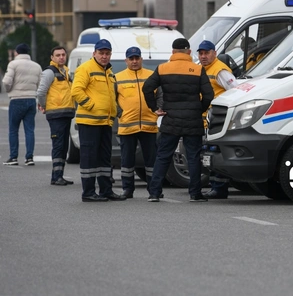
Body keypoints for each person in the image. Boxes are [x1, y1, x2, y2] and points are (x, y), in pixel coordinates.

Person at [142, 38, 214, 202]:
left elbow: (147, 88)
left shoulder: (162, 68)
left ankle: (154, 192)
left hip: (170, 118)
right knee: (193, 156)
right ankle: (195, 193)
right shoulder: (197, 69)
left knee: (163, 156)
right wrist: (199, 109)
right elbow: (209, 94)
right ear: (189, 52)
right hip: (193, 120)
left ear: (173, 52)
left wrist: (154, 108)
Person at [71, 39, 127, 202]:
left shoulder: (108, 71)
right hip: (89, 121)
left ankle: (105, 190)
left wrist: (116, 110)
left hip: (105, 122)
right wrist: (92, 106)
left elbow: (110, 95)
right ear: (94, 53)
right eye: (101, 53)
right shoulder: (86, 69)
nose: (104, 56)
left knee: (104, 158)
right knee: (89, 158)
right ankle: (88, 192)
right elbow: (76, 91)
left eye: (107, 53)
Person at [114, 46, 160, 198]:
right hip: (127, 125)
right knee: (127, 160)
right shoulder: (117, 77)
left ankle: (154, 190)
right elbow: (111, 99)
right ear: (126, 60)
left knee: (151, 161)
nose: (134, 61)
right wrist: (120, 113)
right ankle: (127, 189)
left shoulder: (151, 75)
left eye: (137, 58)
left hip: (149, 124)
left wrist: (157, 110)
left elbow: (160, 94)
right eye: (131, 59)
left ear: (141, 59)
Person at [197, 40, 238, 199]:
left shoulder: (220, 70)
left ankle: (220, 188)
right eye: (201, 53)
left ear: (214, 53)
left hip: (218, 120)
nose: (203, 56)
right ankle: (216, 186)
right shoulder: (203, 69)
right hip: (207, 120)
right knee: (209, 153)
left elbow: (235, 90)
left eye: (206, 53)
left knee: (215, 152)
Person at [36, 46, 75, 185]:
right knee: (58, 145)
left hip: (66, 112)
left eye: (63, 54)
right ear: (52, 58)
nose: (61, 57)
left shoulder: (65, 72)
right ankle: (56, 176)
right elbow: (41, 92)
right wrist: (44, 106)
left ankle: (58, 175)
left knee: (63, 145)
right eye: (58, 55)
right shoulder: (49, 72)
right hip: (56, 113)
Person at [2, 43, 41, 166]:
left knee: (13, 130)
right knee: (29, 130)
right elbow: (40, 85)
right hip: (31, 99)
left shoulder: (13, 64)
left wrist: (9, 90)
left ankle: (13, 157)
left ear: (16, 52)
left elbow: (7, 81)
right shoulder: (37, 66)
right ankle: (29, 158)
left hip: (16, 99)